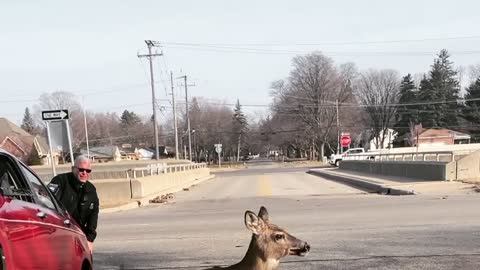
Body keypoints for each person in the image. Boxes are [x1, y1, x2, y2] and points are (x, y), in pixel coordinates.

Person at [47, 155, 99, 253]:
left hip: (79, 234)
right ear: (73, 169)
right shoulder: (60, 181)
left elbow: (93, 215)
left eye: (88, 171)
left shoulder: (91, 189)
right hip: (59, 233)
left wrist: (90, 239)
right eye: (81, 170)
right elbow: (48, 203)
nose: (84, 173)